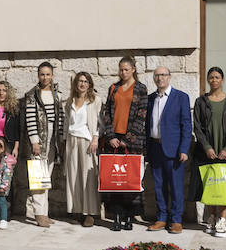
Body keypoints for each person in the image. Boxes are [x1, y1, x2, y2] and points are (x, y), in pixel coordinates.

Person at [97, 56, 149, 231]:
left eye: (126, 69)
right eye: (121, 69)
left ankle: (130, 217)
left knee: (130, 180)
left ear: (133, 69)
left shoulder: (141, 89)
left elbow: (141, 115)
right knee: (116, 180)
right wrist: (111, 136)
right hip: (113, 140)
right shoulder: (114, 88)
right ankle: (117, 216)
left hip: (132, 141)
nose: (123, 72)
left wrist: (128, 139)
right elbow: (107, 114)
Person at [192, 67, 226, 237]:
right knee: (210, 184)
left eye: (217, 77)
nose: (214, 80)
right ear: (207, 80)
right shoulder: (200, 101)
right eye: (211, 77)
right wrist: (206, 147)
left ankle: (222, 221)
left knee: (225, 185)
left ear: (222, 80)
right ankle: (211, 218)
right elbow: (197, 127)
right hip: (208, 150)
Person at [145, 67, 192, 234]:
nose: (160, 78)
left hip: (174, 149)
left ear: (169, 77)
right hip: (155, 147)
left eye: (163, 75)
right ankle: (161, 218)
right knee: (159, 185)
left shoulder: (181, 97)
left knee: (176, 185)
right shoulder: (150, 99)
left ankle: (176, 220)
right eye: (157, 75)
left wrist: (184, 149)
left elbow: (186, 126)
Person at [21, 62, 65, 229]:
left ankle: (45, 213)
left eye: (48, 74)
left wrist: (60, 139)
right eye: (42, 74)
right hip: (40, 140)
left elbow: (60, 117)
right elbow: (30, 119)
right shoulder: (32, 95)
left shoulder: (57, 95)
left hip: (53, 141)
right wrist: (35, 141)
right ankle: (39, 214)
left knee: (47, 177)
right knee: (39, 178)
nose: (45, 77)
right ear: (38, 75)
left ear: (52, 75)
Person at [63, 71, 100, 228]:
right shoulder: (69, 101)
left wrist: (95, 138)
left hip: (87, 141)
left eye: (85, 81)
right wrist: (63, 141)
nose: (82, 84)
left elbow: (99, 122)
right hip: (72, 140)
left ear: (89, 84)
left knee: (88, 177)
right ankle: (76, 210)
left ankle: (90, 213)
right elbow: (65, 124)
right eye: (80, 81)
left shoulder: (95, 101)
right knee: (73, 176)